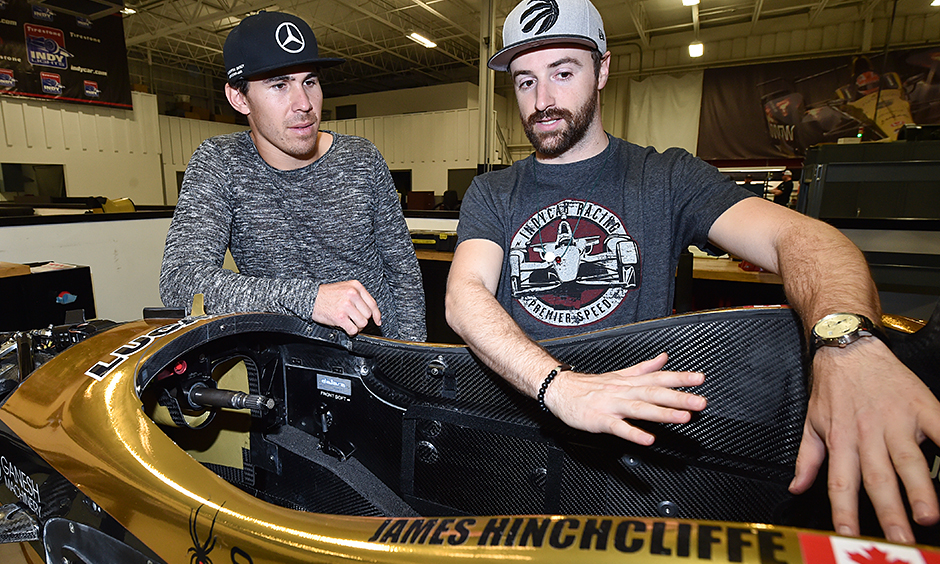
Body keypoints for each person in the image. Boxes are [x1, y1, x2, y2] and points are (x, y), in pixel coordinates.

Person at [445, 0, 940, 544]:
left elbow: (806, 239)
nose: (543, 102)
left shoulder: (667, 177)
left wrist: (846, 343)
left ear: (603, 69)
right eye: (525, 81)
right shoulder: (494, 192)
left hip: (634, 457)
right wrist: (561, 389)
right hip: (520, 438)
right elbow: (466, 295)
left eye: (563, 73)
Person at [160, 11, 425, 341]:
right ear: (239, 98)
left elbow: (404, 273)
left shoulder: (362, 158)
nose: (304, 104)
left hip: (377, 360)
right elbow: (180, 282)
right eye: (279, 84)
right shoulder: (221, 163)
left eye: (309, 81)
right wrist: (310, 299)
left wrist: (413, 364)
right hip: (284, 367)